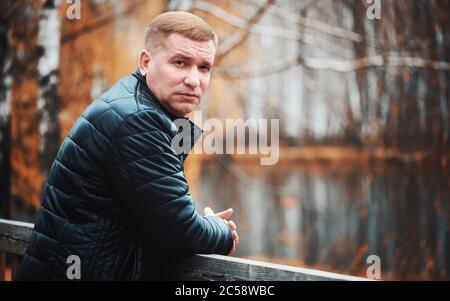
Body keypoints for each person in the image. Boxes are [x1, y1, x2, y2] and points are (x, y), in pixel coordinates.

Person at [16, 11, 238, 281]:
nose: (194, 80)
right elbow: (179, 233)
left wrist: (202, 224)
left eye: (204, 67)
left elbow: (161, 218)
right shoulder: (137, 120)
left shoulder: (133, 105)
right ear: (145, 62)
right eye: (180, 63)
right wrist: (222, 232)